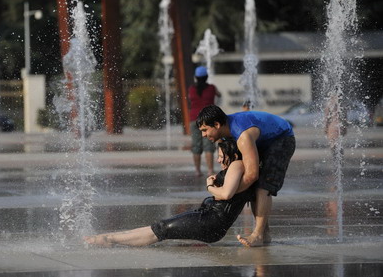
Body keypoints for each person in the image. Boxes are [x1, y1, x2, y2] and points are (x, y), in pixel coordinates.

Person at [83, 138, 254, 247]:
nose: (218, 159)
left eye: (221, 155)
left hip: (211, 222)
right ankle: (110, 238)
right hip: (207, 217)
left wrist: (209, 186)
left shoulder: (236, 165)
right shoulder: (235, 168)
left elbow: (226, 195)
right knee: (161, 226)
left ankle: (109, 240)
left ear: (232, 154)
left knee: (162, 228)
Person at [196, 105, 295, 247]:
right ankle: (264, 233)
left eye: (205, 130)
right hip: (263, 140)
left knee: (263, 185)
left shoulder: (242, 136)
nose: (203, 135)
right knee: (254, 187)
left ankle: (259, 234)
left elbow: (251, 175)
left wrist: (226, 193)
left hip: (282, 139)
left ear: (217, 125)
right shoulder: (225, 133)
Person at [188, 65, 222, 177]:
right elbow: (219, 95)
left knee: (196, 145)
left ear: (196, 77)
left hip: (194, 119)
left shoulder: (192, 89)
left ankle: (197, 170)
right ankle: (210, 170)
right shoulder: (212, 88)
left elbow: (190, 99)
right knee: (208, 144)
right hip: (208, 119)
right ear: (206, 77)